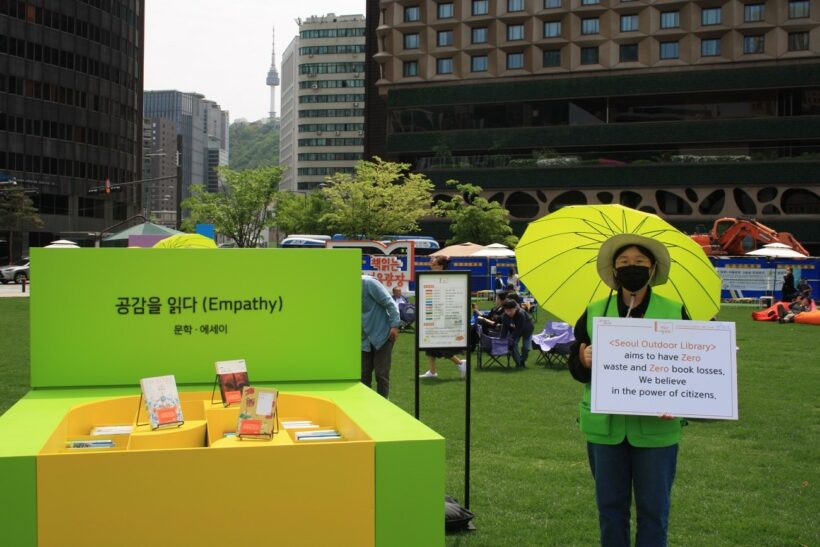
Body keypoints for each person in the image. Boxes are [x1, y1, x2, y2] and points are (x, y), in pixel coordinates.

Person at [568, 233, 689, 547]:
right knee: (610, 509)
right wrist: (582, 358)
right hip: (605, 430)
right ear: (613, 270)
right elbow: (575, 364)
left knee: (654, 510)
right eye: (624, 263)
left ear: (652, 269)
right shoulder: (594, 310)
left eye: (639, 262)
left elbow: (690, 365)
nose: (631, 268)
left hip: (656, 430)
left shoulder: (675, 309)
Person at [420, 255, 467, 379]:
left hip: (444, 316)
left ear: (440, 265)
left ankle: (460, 363)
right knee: (429, 345)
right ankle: (432, 371)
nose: (431, 263)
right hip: (432, 315)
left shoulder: (447, 278)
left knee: (441, 344)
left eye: (433, 262)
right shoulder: (429, 277)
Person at [361, 274, 400, 398]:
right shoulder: (343, 287)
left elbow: (390, 303)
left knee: (381, 374)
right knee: (363, 375)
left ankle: (384, 405)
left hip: (382, 335)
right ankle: (364, 405)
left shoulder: (368, 283)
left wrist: (394, 326)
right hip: (363, 339)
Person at [499, 299, 534, 368]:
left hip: (527, 329)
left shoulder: (521, 314)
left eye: (510, 310)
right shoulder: (505, 316)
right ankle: (519, 363)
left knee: (526, 347)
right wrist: (502, 338)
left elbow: (519, 329)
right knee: (513, 345)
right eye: (506, 310)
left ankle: (522, 360)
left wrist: (512, 338)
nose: (509, 313)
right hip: (514, 329)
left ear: (515, 308)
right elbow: (504, 328)